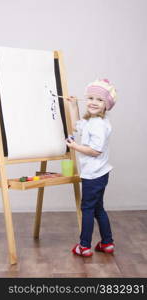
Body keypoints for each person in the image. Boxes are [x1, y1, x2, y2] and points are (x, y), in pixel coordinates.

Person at [66, 78, 117, 257]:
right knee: (97, 208)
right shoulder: (91, 120)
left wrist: (74, 146)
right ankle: (107, 243)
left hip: (93, 175)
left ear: (106, 105)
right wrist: (73, 106)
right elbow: (76, 126)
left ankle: (84, 246)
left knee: (87, 209)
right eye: (91, 98)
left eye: (99, 100)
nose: (94, 103)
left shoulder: (99, 124)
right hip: (99, 174)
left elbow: (95, 151)